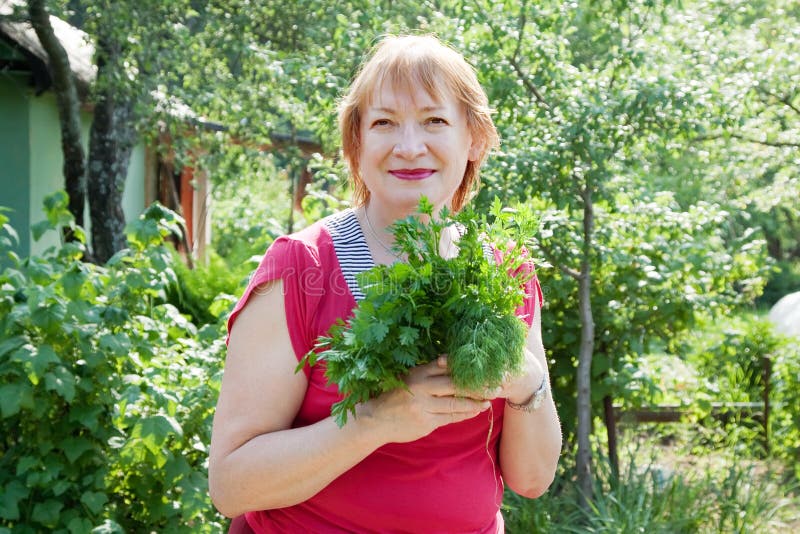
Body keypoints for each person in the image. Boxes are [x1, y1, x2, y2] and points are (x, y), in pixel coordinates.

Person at [208, 34, 562, 533]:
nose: (409, 146)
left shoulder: (504, 274)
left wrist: (527, 384)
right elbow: (230, 486)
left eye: (435, 120)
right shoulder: (303, 269)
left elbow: (533, 477)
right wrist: (376, 422)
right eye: (384, 123)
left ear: (474, 138)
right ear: (357, 143)